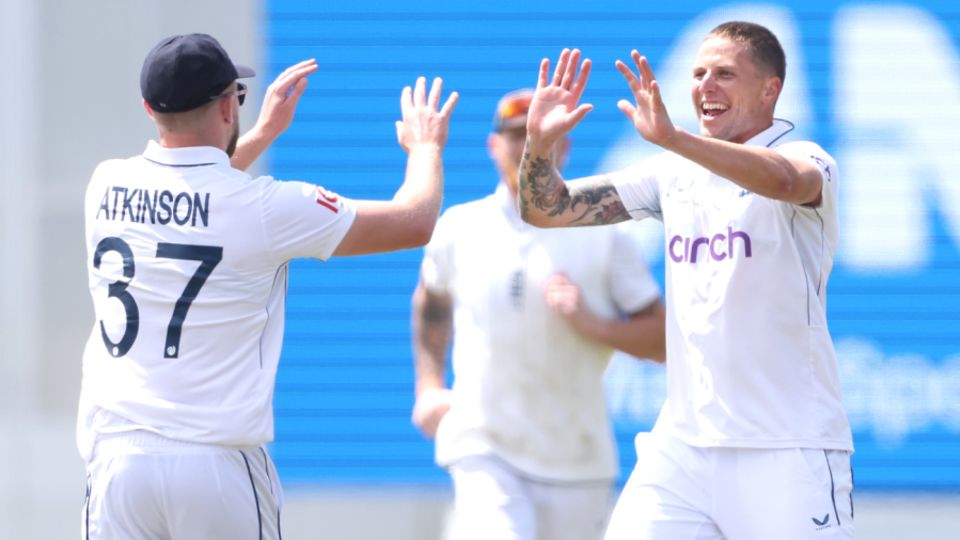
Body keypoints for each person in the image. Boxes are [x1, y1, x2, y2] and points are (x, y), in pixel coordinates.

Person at [78, 33, 457, 539]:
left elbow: (197, 197)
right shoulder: (266, 208)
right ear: (226, 108)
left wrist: (261, 133)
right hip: (216, 465)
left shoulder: (105, 184)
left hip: (119, 462)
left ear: (149, 108)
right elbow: (414, 220)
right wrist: (426, 147)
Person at [517, 22, 853, 540]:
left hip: (788, 446)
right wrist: (538, 146)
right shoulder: (671, 175)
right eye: (698, 73)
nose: (704, 86)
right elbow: (548, 209)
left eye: (725, 74)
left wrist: (674, 138)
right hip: (684, 447)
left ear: (771, 89)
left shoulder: (808, 159)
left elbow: (785, 182)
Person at [410, 88, 666, 540]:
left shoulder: (605, 235)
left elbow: (663, 340)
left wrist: (593, 326)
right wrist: (429, 386)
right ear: (494, 146)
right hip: (484, 443)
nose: (527, 148)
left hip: (576, 459)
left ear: (563, 146)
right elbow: (431, 303)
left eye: (539, 137)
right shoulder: (460, 227)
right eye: (515, 135)